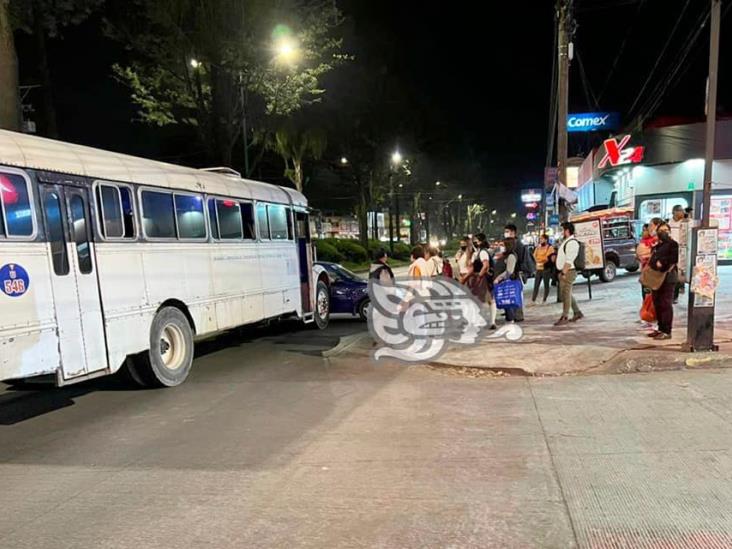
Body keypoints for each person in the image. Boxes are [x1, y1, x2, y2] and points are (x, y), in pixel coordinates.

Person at [647, 222, 679, 340]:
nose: (663, 232)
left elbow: (674, 259)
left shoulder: (673, 244)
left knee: (666, 304)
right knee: (657, 303)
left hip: (668, 277)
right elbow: (652, 261)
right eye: (661, 230)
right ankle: (660, 328)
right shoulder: (657, 246)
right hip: (656, 278)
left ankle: (667, 331)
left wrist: (662, 263)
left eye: (666, 230)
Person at [554, 222, 583, 326]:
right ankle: (577, 312)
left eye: (562, 230)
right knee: (567, 293)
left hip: (568, 271)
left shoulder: (572, 243)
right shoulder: (567, 241)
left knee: (565, 294)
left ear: (567, 231)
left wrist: (563, 272)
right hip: (566, 271)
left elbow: (569, 260)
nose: (561, 232)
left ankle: (564, 316)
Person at [504, 224, 533, 322]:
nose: (506, 233)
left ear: (513, 232)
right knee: (512, 294)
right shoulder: (511, 242)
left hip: (516, 273)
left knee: (516, 294)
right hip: (512, 273)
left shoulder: (518, 244)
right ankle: (512, 313)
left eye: (507, 231)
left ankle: (518, 315)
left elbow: (520, 260)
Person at [472, 233, 498, 329]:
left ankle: (486, 321)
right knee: (489, 300)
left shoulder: (483, 253)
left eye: (476, 240)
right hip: (486, 278)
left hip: (484, 279)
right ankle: (492, 322)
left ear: (481, 241)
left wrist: (479, 275)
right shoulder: (481, 252)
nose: (474, 242)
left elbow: (485, 265)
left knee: (483, 300)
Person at [493, 237, 520, 323]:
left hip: (507, 281)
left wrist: (499, 278)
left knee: (508, 300)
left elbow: (509, 271)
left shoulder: (511, 256)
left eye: (502, 245)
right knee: (504, 300)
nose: (501, 246)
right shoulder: (504, 255)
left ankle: (511, 319)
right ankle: (509, 318)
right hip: (502, 282)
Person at [668, 205, 686, 304]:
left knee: (679, 273)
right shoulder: (668, 223)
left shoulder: (685, 222)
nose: (683, 213)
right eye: (681, 211)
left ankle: (676, 295)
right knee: (671, 273)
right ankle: (671, 294)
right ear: (675, 212)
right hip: (671, 251)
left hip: (682, 250)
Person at [531, 234, 554, 304]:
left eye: (542, 239)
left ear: (546, 240)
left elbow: (548, 258)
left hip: (546, 268)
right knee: (536, 285)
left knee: (546, 284)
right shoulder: (538, 247)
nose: (541, 240)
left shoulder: (550, 248)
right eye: (540, 239)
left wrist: (540, 259)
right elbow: (534, 256)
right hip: (538, 268)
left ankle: (544, 299)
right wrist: (539, 260)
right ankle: (533, 300)